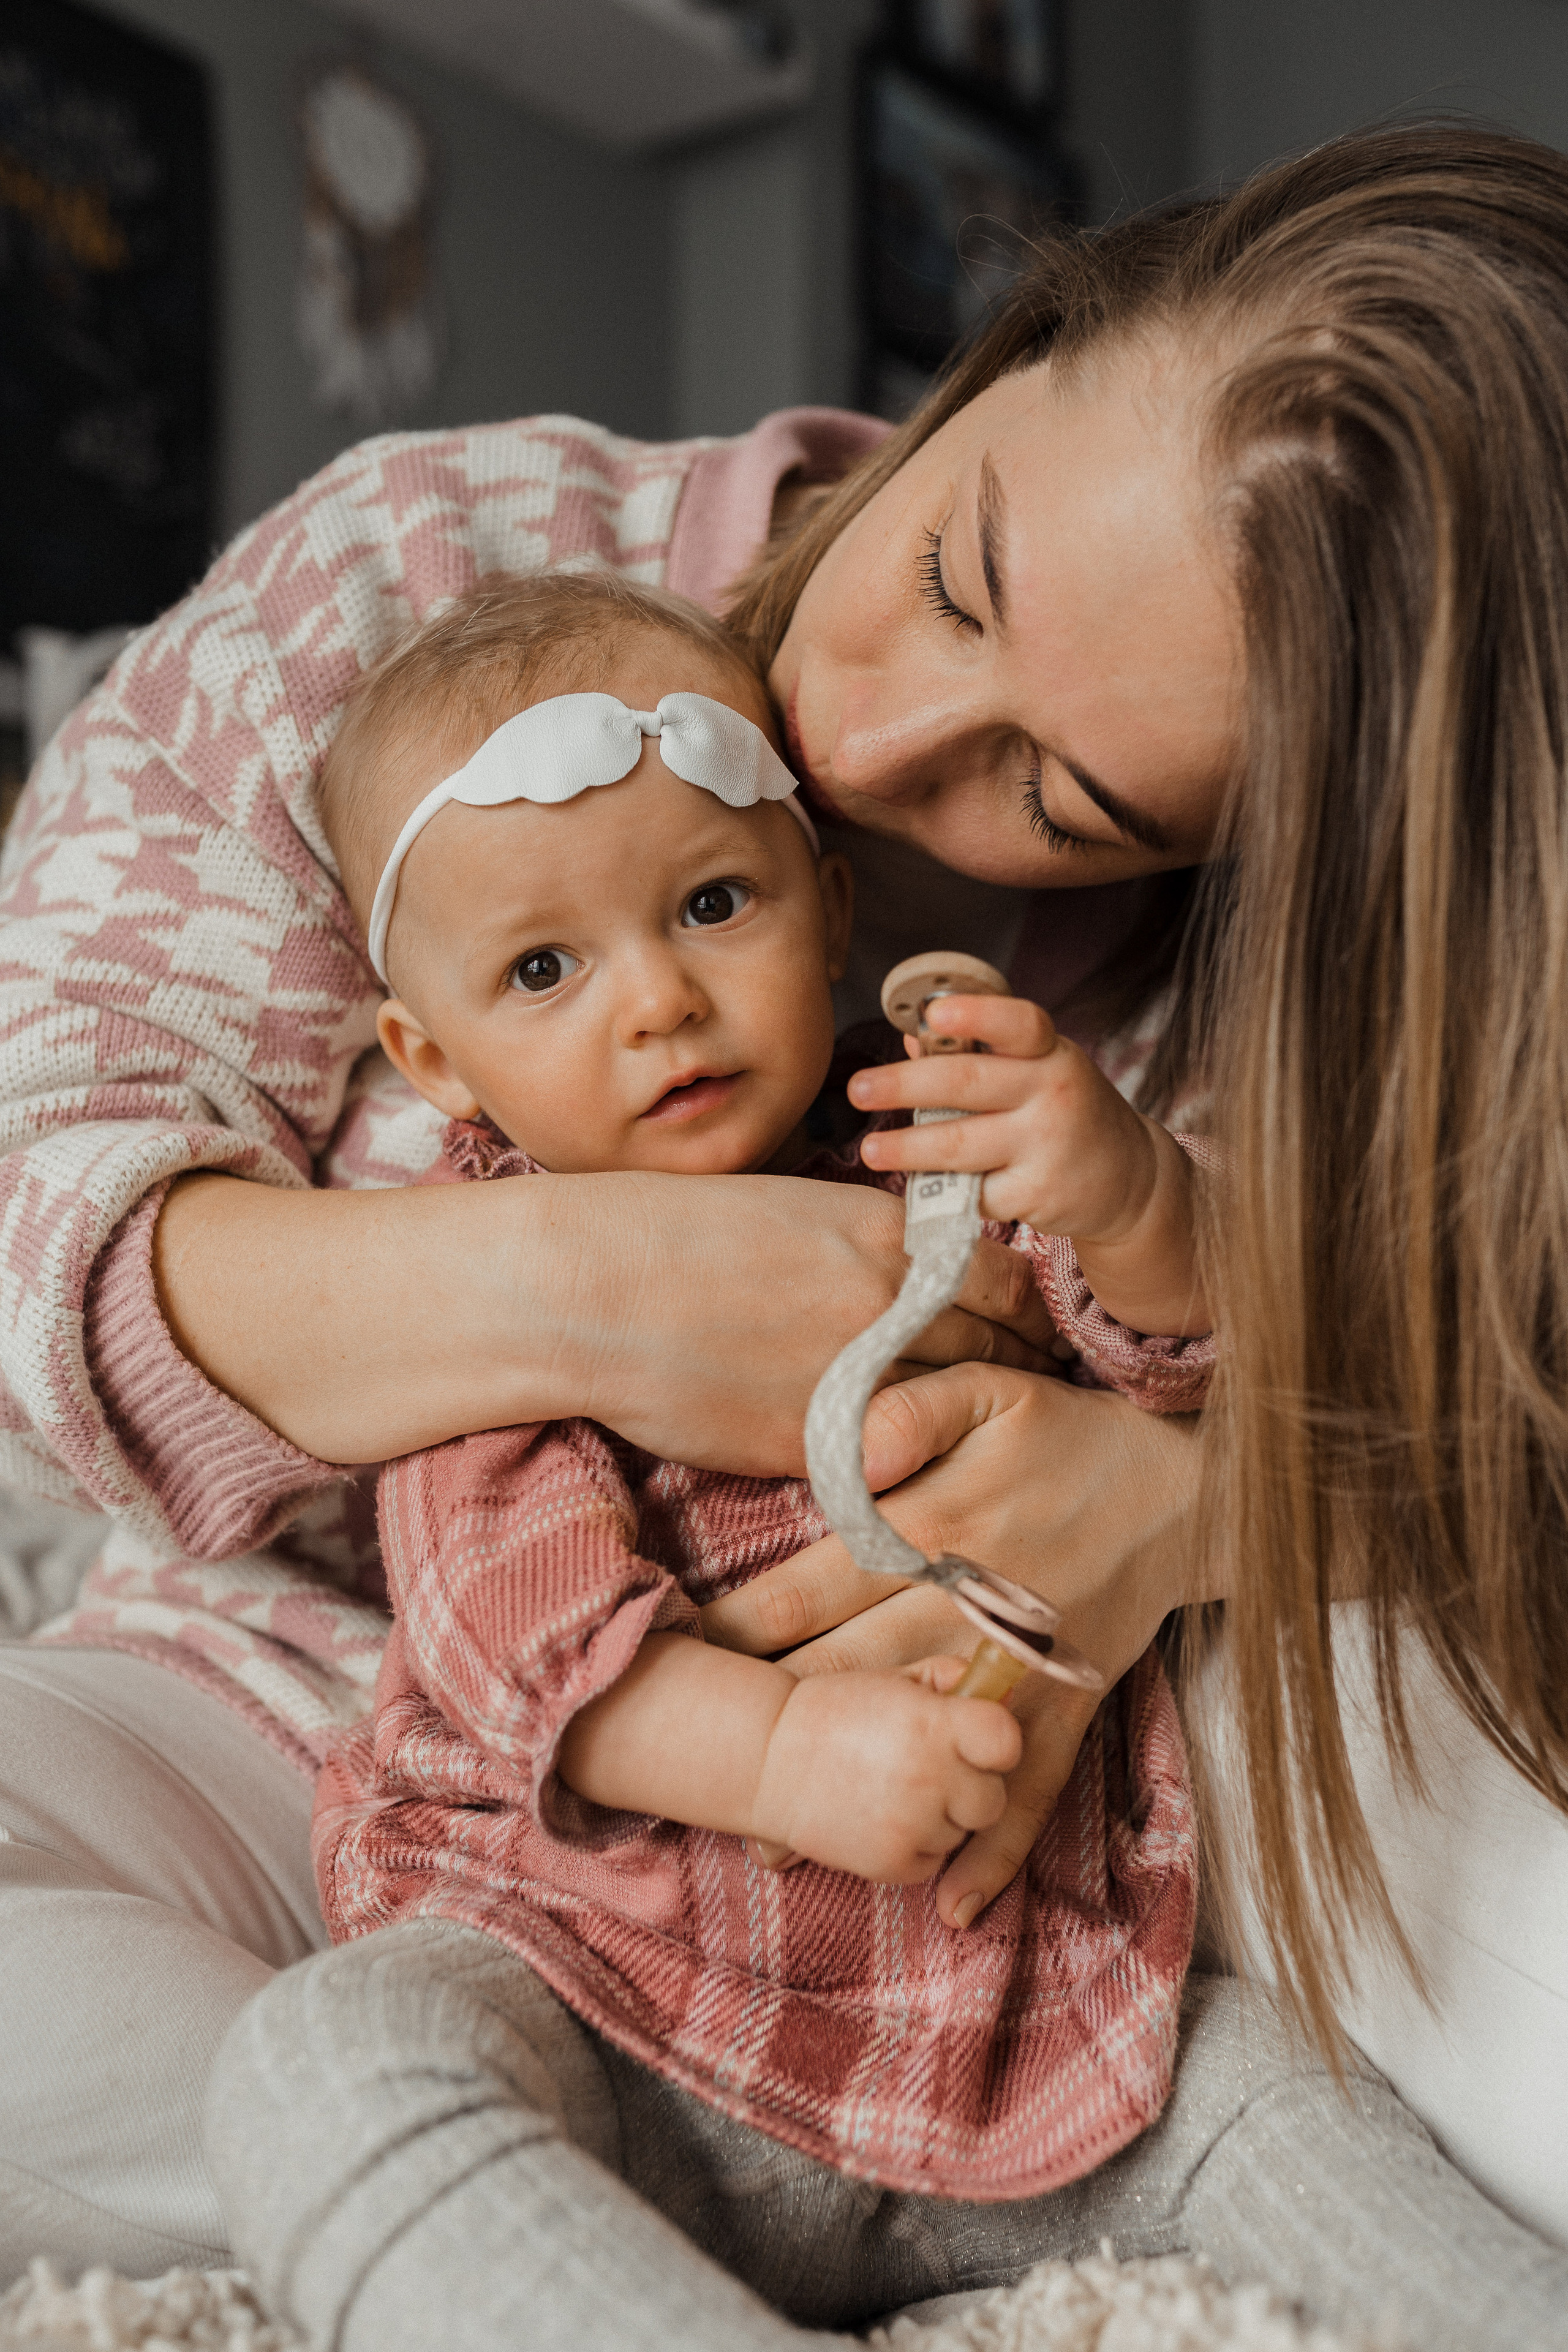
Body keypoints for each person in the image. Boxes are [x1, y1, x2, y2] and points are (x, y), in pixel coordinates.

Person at [0, 118, 1562, 2349]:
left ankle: (643, 2183)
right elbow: (32, 1174)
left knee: (1441, 1789)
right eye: (954, 573)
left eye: (1071, 797)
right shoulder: (426, 579)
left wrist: (1204, 1507)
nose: (864, 734)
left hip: (977, 1870)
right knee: (231, 2028)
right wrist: (579, 1291)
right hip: (306, 1731)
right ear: (1013, 345)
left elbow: (1462, 1424)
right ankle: (675, 2179)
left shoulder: (1288, 988)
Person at [291, 560, 1197, 2228]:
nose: (659, 1000)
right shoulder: (486, 1280)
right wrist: (781, 1752)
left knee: (1290, 2107)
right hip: (603, 1975)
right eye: (546, 972)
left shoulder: (934, 1139)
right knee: (338, 2076)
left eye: (714, 905)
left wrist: (1130, 1202)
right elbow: (521, 1643)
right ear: (433, 1059)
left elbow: (1174, 1374)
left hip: (1016, 1992)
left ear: (833, 913)